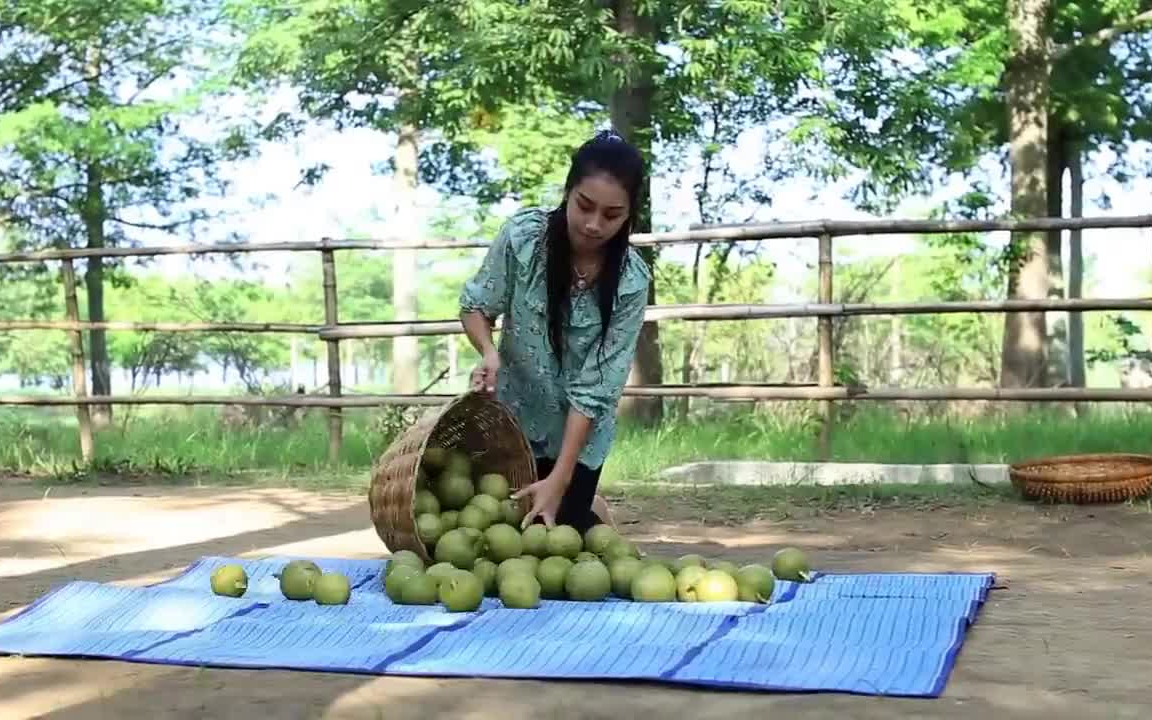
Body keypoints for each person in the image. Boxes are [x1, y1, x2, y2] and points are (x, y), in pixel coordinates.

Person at [458, 129, 651, 533]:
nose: (594, 224)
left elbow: (595, 389)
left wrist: (561, 479)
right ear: (567, 192)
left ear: (629, 215)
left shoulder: (631, 282)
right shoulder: (523, 239)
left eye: (612, 215)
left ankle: (586, 503)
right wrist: (489, 353)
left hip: (579, 436)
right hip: (514, 421)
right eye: (584, 206)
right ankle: (583, 508)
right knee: (499, 533)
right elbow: (476, 305)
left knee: (557, 536)